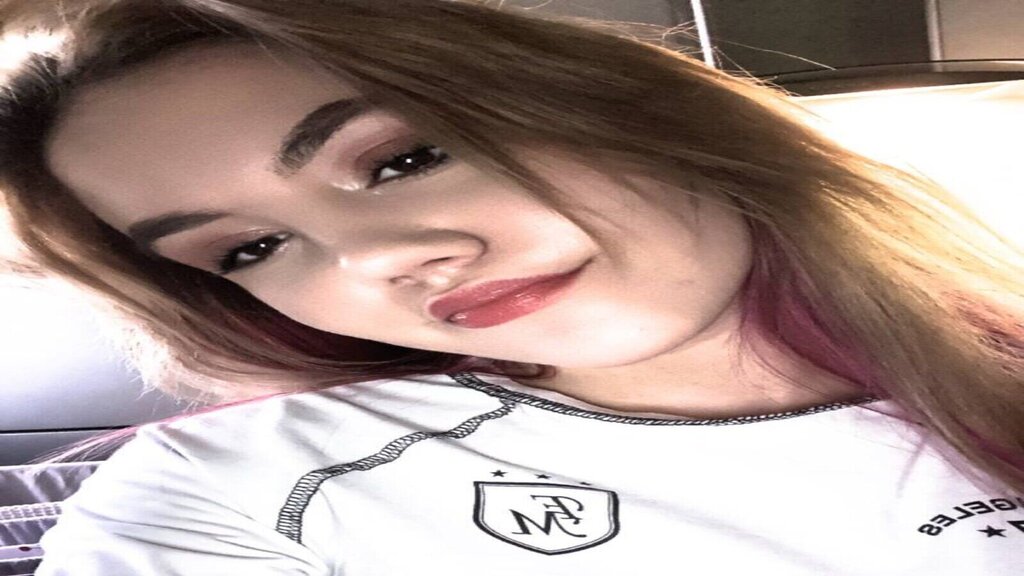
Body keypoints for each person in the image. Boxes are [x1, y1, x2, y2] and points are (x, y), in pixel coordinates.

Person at [1, 0, 1022, 573]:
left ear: (618, 107)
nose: (372, 260)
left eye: (402, 160)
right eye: (252, 248)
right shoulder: (237, 492)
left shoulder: (991, 356)